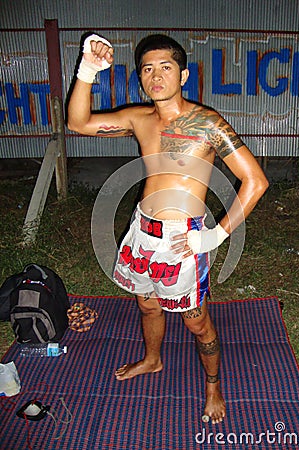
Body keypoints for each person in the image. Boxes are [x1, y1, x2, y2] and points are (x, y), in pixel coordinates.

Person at [67, 33, 269, 424]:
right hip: (142, 232)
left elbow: (256, 182)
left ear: (184, 74)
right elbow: (78, 123)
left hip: (184, 238)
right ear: (139, 77)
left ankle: (213, 387)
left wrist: (215, 235)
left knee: (196, 321)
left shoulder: (207, 123)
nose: (156, 76)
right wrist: (89, 69)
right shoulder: (138, 119)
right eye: (147, 69)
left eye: (166, 67)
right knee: (146, 303)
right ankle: (153, 359)